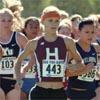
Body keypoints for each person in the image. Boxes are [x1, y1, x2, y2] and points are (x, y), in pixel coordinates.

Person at [15, 6, 93, 100]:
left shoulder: (67, 41)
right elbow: (18, 61)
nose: (54, 24)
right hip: (40, 92)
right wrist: (18, 78)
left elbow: (81, 63)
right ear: (43, 21)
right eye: (50, 20)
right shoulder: (34, 43)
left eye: (56, 21)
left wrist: (74, 66)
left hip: (59, 92)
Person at [66, 18, 100, 100]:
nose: (90, 35)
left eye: (92, 32)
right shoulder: (73, 48)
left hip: (91, 93)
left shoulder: (95, 47)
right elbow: (65, 73)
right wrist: (83, 71)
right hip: (75, 93)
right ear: (78, 32)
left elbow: (93, 68)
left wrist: (98, 74)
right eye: (87, 32)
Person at [0, 8, 28, 100]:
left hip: (13, 80)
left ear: (13, 22)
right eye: (3, 20)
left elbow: (34, 56)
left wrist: (24, 69)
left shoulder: (19, 37)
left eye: (9, 21)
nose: (6, 23)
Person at [20, 16, 40, 100]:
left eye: (36, 27)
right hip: (22, 84)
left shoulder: (43, 44)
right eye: (31, 27)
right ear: (25, 29)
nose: (34, 29)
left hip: (37, 84)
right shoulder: (19, 44)